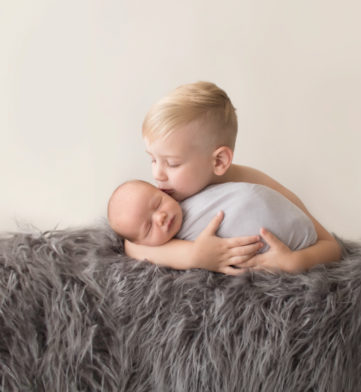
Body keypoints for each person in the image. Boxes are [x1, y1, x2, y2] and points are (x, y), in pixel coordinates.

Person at [124, 81, 341, 274]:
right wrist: (194, 256)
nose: (157, 174)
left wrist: (294, 262)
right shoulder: (166, 196)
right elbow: (132, 244)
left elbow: (330, 246)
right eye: (153, 159)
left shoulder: (256, 185)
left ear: (219, 161)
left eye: (172, 163)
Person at [108, 179, 318, 258]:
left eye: (158, 203)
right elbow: (133, 247)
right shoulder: (172, 246)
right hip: (288, 242)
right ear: (144, 241)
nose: (161, 217)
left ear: (164, 192)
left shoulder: (188, 189)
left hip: (289, 218)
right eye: (148, 227)